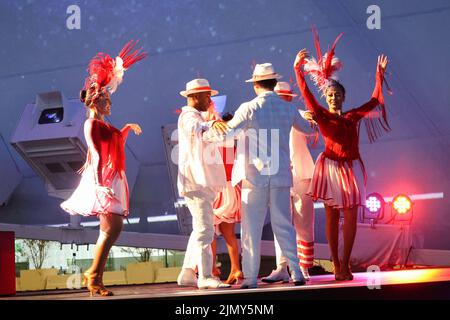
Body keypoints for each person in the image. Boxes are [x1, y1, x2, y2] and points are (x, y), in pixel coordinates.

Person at [293, 29, 390, 281]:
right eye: (330, 95)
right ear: (326, 98)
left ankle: (345, 264)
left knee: (351, 217)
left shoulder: (351, 116)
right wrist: (297, 71)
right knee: (331, 216)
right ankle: (336, 264)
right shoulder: (321, 115)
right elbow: (307, 96)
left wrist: (379, 75)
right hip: (328, 168)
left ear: (343, 98)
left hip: (347, 168)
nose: (333, 97)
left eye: (337, 95)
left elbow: (374, 100)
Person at [61, 41, 146, 296]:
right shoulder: (92, 125)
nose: (110, 103)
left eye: (109, 99)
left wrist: (127, 128)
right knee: (113, 228)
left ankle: (95, 276)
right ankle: (94, 275)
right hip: (104, 178)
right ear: (95, 102)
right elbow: (97, 156)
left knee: (109, 230)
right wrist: (100, 185)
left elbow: (116, 143)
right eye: (106, 99)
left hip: (111, 177)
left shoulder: (103, 124)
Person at [226, 63, 314, 289]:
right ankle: (296, 272)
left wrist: (209, 132)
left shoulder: (249, 108)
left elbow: (228, 134)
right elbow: (308, 128)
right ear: (274, 83)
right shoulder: (287, 108)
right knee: (284, 226)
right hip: (281, 175)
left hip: (255, 176)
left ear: (255, 84)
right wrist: (311, 117)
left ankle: (251, 278)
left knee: (251, 228)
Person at [176, 78, 231, 289]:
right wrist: (212, 124)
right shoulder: (189, 116)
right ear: (195, 97)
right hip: (196, 182)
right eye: (207, 95)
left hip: (200, 182)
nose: (210, 99)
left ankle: (187, 273)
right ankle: (205, 276)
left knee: (200, 229)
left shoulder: (198, 118)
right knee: (205, 230)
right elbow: (195, 128)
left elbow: (210, 136)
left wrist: (227, 128)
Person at [262, 81, 316, 283]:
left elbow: (312, 123)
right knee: (281, 222)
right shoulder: (267, 117)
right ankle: (282, 266)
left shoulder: (298, 114)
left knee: (303, 221)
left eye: (283, 97)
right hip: (279, 174)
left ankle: (304, 266)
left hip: (301, 173)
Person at [203, 106, 243, 285]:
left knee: (210, 231)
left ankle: (212, 269)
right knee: (226, 234)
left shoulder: (223, 141)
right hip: (226, 189)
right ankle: (234, 268)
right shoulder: (233, 141)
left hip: (223, 189)